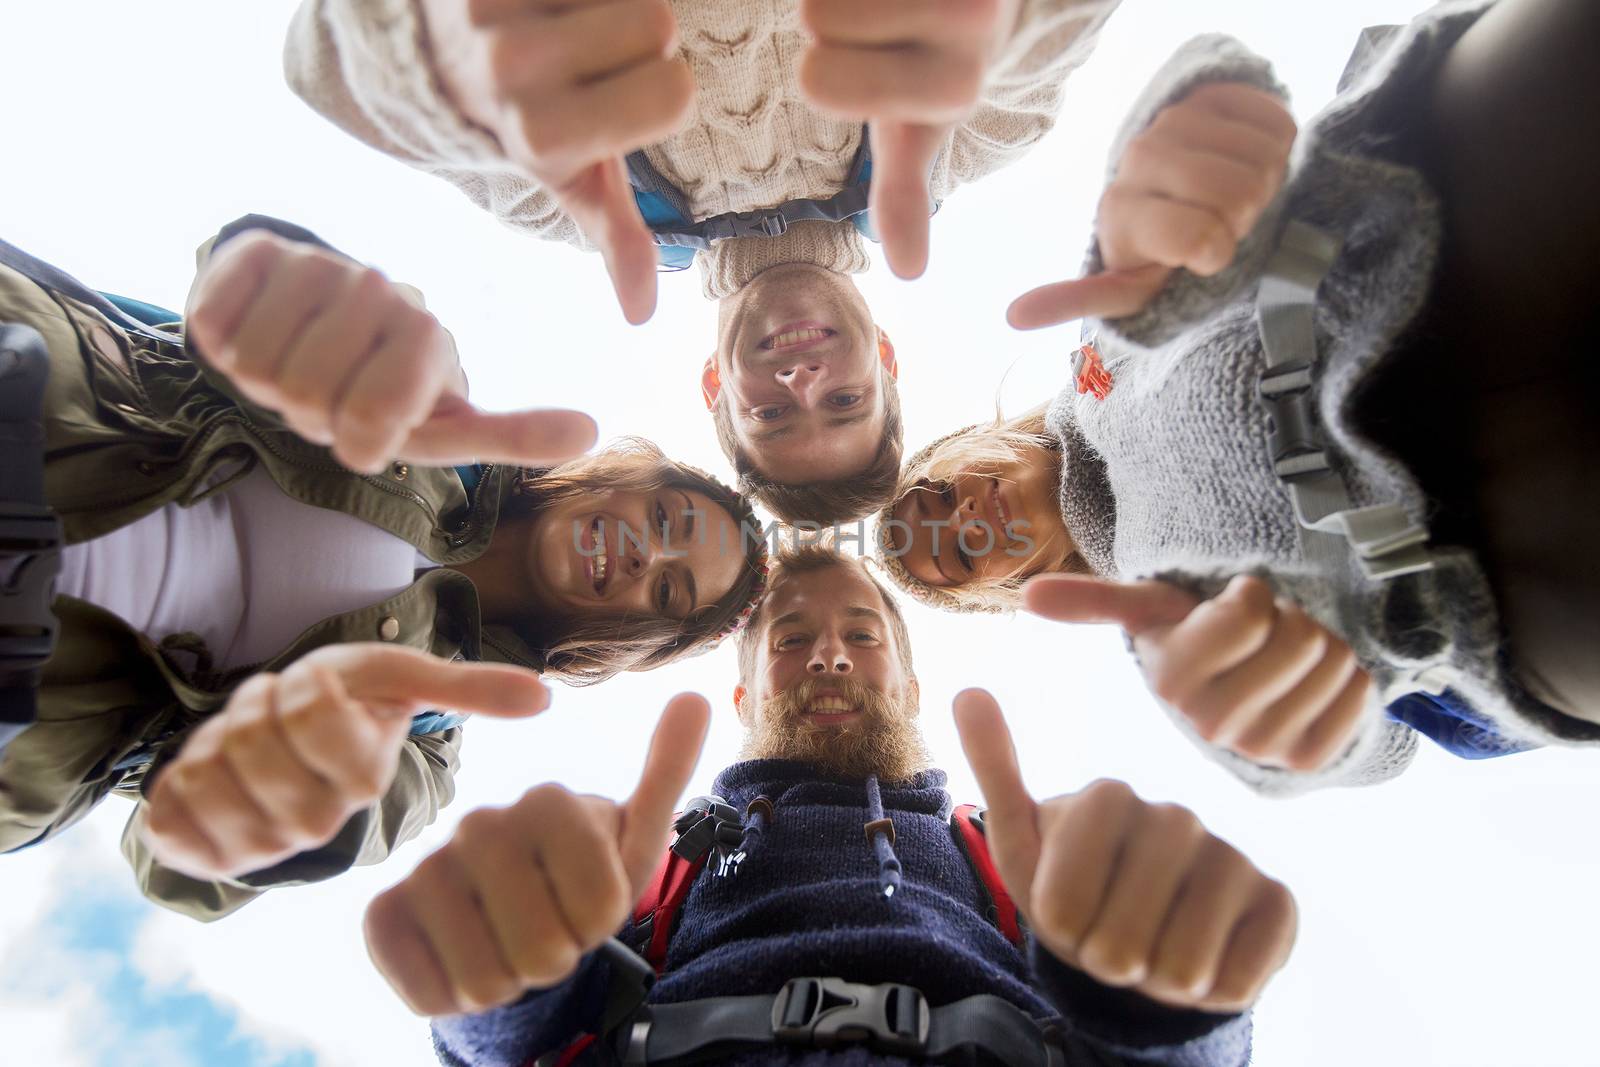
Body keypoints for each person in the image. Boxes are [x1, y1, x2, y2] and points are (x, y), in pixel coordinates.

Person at [880, 0, 1600, 795]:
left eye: (940, 494)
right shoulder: (1167, 632)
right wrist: (1295, 728)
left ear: (965, 443)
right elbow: (1379, 745)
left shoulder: (1099, 337)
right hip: (1489, 560)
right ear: (996, 593)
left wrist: (1196, 135)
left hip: (1432, 221)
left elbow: (1188, 157)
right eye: (959, 551)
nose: (968, 517)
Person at [0, 215, 770, 920]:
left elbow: (181, 864)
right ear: (632, 479)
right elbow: (245, 279)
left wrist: (268, 807)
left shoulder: (419, 754)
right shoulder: (428, 400)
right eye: (668, 520)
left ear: (637, 638)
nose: (644, 552)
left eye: (668, 587)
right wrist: (294, 302)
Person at [362, 544, 1296, 1066]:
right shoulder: (653, 856)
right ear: (742, 698)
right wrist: (494, 969)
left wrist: (1175, 999)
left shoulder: (1020, 859)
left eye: (861, 631)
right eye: (792, 636)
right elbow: (520, 1041)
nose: (831, 654)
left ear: (912, 680)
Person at [282, 0, 1121, 522]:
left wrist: (444, 47)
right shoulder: (955, 143)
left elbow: (325, 78)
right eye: (845, 400)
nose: (801, 383)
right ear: (888, 358)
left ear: (716, 386)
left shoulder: (580, 204)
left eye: (774, 418)